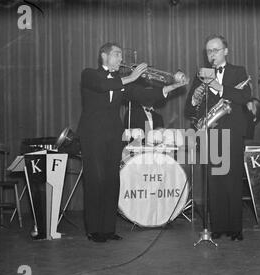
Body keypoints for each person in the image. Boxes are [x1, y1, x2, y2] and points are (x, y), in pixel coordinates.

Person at [77, 42, 187, 242]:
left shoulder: (121, 81)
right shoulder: (89, 74)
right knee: (95, 180)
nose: (121, 59)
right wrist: (133, 76)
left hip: (113, 136)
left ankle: (108, 229)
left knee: (112, 181)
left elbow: (144, 94)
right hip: (92, 135)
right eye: (117, 54)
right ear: (104, 56)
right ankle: (94, 230)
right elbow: (104, 85)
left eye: (120, 55)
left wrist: (172, 86)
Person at [185, 35, 252, 241]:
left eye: (215, 50)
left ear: (226, 51)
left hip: (232, 132)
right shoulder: (201, 75)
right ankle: (218, 227)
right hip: (210, 133)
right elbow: (188, 109)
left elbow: (244, 97)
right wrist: (195, 99)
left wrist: (219, 86)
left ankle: (235, 229)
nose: (211, 54)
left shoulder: (238, 71)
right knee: (213, 183)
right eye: (208, 51)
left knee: (232, 181)